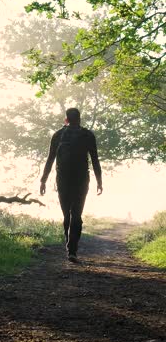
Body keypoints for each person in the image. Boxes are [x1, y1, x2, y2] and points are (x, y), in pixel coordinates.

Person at [40, 108, 103, 263]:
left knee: (67, 214)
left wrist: (43, 180)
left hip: (62, 179)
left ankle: (70, 247)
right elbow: (95, 159)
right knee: (76, 214)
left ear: (66, 120)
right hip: (82, 180)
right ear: (79, 119)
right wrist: (99, 181)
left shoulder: (58, 135)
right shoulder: (87, 135)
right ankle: (72, 250)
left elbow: (50, 159)